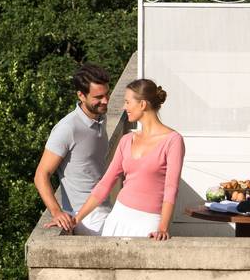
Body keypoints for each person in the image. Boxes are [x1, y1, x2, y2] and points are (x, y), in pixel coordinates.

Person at [74, 78, 184, 240]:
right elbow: (105, 183)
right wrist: (76, 219)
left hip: (149, 223)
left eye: (127, 102)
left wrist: (162, 227)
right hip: (118, 216)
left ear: (142, 104)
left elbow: (171, 188)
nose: (124, 107)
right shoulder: (126, 140)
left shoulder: (173, 140)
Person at [35, 64, 113, 236]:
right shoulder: (67, 128)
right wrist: (56, 212)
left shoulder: (101, 117)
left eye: (107, 93)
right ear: (81, 95)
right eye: (98, 97)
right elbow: (41, 174)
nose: (106, 100)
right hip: (85, 217)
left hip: (104, 208)